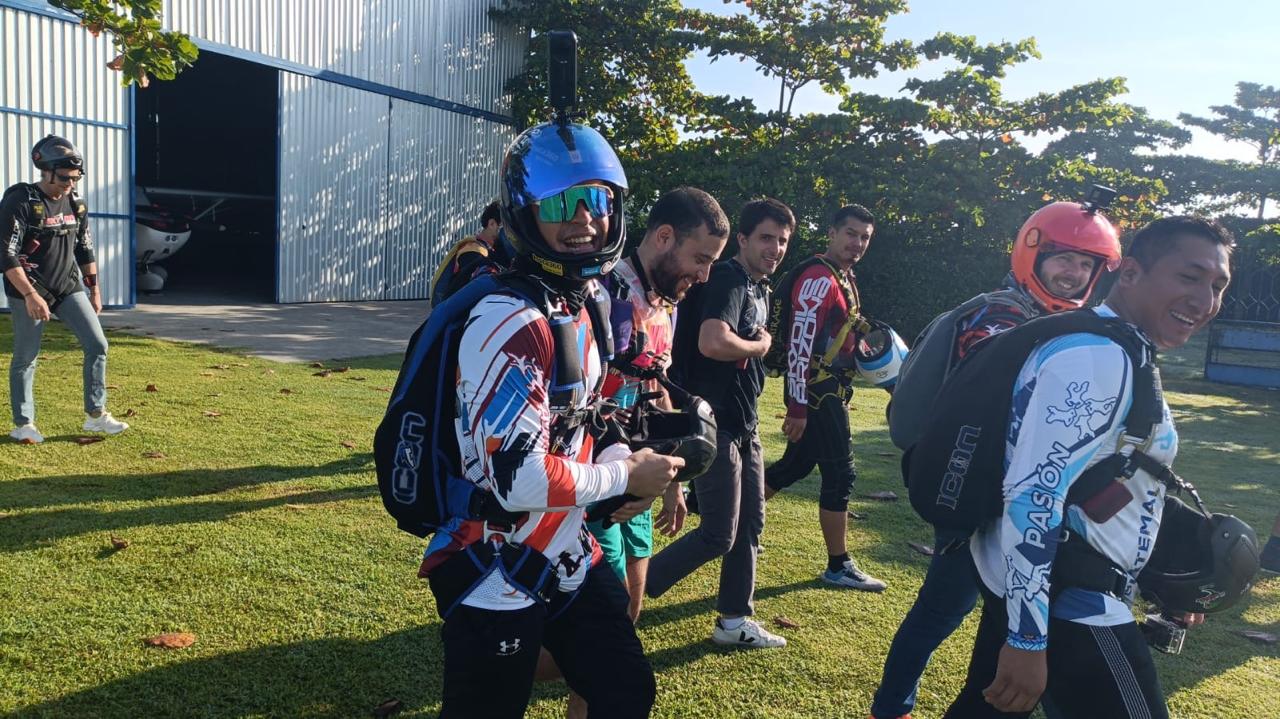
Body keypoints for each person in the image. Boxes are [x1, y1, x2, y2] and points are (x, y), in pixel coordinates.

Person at [421, 119, 683, 718]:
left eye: (597, 200)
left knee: (625, 689)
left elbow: (579, 421)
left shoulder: (580, 303)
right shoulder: (510, 321)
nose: (584, 219)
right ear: (524, 211)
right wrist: (625, 478)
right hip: (495, 567)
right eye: (561, 203)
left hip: (567, 551)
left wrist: (620, 457)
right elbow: (518, 478)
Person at [944, 216, 1234, 719]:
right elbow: (1033, 495)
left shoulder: (1120, 346)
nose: (1204, 300)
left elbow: (1111, 476)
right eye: (1189, 277)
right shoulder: (1097, 358)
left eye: (1217, 286)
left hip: (1041, 585)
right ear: (1131, 273)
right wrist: (1028, 639)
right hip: (1072, 602)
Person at [870, 199, 1122, 719]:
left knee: (972, 612)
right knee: (944, 610)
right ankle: (892, 708)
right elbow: (1001, 402)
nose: (1074, 273)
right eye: (1064, 258)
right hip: (977, 495)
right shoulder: (1000, 316)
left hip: (1011, 497)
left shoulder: (1051, 321)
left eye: (1086, 264)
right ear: (1034, 254)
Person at [645, 197, 793, 648]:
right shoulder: (728, 278)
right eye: (766, 238)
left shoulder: (758, 287)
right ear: (742, 239)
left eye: (782, 240)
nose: (775, 248)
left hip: (744, 424)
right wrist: (759, 347)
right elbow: (712, 341)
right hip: (714, 424)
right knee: (718, 534)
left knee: (749, 525)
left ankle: (734, 621)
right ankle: (630, 584)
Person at [588, 186, 730, 621]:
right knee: (601, 614)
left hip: (643, 477)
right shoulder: (600, 294)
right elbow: (574, 402)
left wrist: (671, 482)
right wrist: (620, 476)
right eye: (701, 258)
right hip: (597, 481)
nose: (705, 275)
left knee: (631, 604)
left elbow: (657, 387)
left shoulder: (667, 302)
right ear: (665, 237)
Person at [763, 204, 888, 591]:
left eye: (865, 237)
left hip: (827, 389)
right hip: (817, 391)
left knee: (794, 466)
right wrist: (797, 406)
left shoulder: (843, 276)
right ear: (832, 233)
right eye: (851, 234)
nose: (858, 243)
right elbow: (800, 346)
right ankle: (838, 565)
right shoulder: (820, 278)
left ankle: (735, 524)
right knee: (841, 473)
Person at [3, 134, 128, 444]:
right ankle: (24, 424)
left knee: (97, 344)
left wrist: (94, 290)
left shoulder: (76, 204)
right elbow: (5, 254)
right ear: (45, 171)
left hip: (67, 286)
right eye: (64, 178)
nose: (70, 184)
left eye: (75, 178)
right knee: (26, 356)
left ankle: (96, 415)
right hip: (29, 288)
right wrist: (30, 295)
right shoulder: (21, 201)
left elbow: (84, 248)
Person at [428, 200, 511, 307]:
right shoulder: (473, 251)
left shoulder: (493, 249)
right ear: (492, 224)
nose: (510, 232)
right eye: (507, 226)